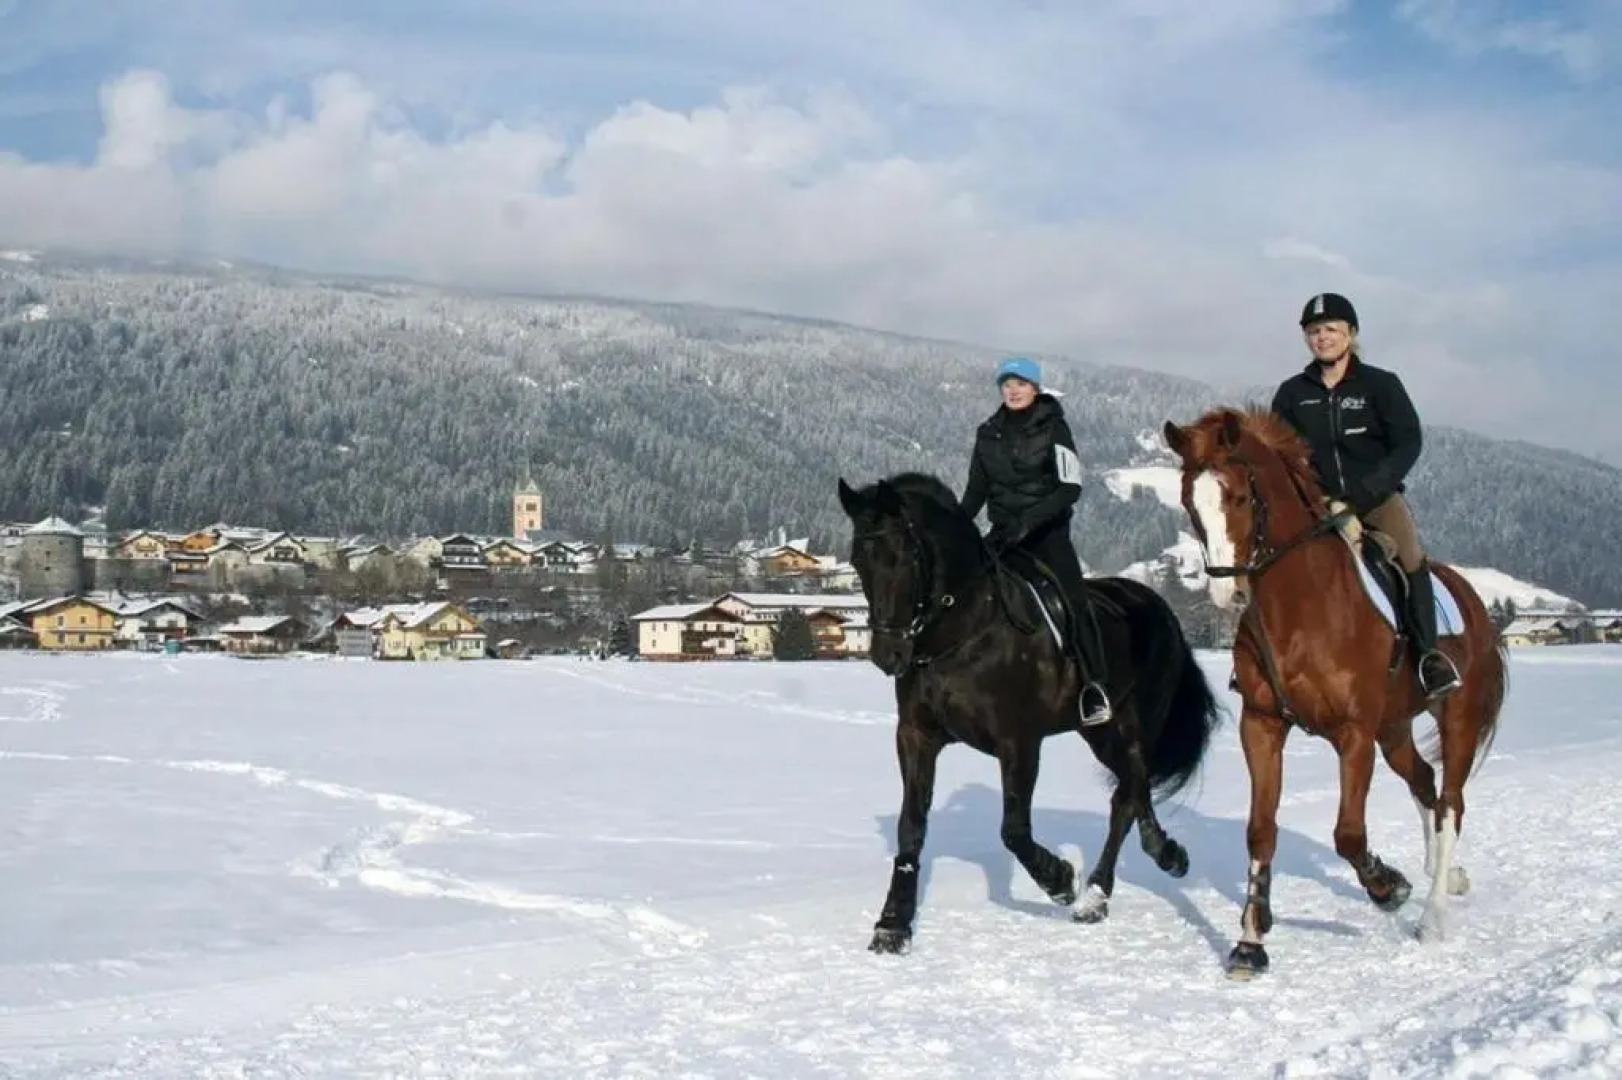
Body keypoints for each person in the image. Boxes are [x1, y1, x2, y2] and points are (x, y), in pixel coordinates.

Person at [1270, 292, 1462, 701]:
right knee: (1269, 561)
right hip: (1314, 506)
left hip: (1375, 501)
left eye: (1331, 330)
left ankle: (1429, 657)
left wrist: (1367, 490)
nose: (1322, 338)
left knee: (1410, 556)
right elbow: (1279, 452)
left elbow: (1408, 442)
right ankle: (1260, 658)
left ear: (1351, 334)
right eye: (1314, 331)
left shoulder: (1381, 385)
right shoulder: (1291, 394)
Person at [960, 356, 1112, 726]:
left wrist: (1028, 522)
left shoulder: (1056, 428)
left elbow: (1069, 487)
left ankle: (1094, 687)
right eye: (1007, 384)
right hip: (1001, 536)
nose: (1013, 390)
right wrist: (954, 526)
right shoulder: (986, 433)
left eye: (1021, 384)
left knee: (1074, 600)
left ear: (1035, 389)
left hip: (1047, 535)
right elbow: (976, 492)